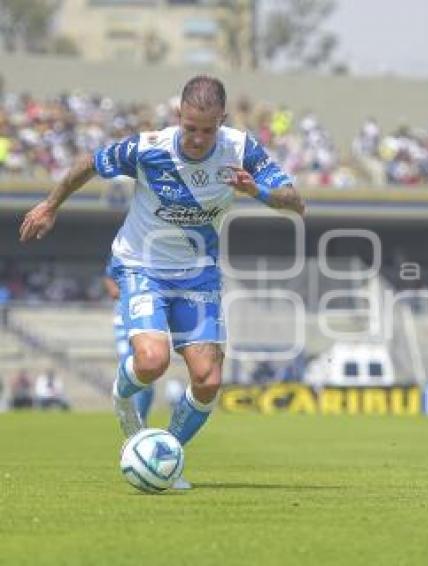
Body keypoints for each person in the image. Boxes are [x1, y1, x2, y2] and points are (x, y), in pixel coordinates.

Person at [19, 75, 305, 489]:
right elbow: (89, 163)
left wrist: (257, 190)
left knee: (208, 380)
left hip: (198, 273)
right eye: (190, 128)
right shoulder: (149, 148)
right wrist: (50, 205)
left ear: (222, 121)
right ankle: (122, 400)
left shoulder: (241, 150)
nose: (197, 139)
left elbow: (295, 202)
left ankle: (162, 454)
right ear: (179, 116)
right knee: (151, 361)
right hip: (142, 265)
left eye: (208, 130)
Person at [103, 267, 153, 424]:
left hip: (147, 318)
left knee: (148, 370)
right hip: (124, 321)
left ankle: (140, 418)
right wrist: (131, 291)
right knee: (130, 367)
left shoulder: (153, 255)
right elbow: (110, 284)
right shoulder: (122, 251)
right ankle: (134, 417)